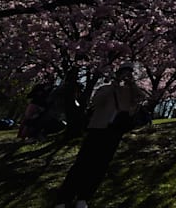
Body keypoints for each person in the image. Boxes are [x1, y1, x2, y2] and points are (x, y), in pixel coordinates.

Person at [54, 63, 149, 208]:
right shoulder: (105, 88)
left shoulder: (129, 92)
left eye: (129, 73)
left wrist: (132, 84)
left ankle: (83, 197)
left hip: (115, 131)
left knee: (100, 166)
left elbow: (140, 97)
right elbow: (96, 102)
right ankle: (64, 198)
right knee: (82, 164)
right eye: (124, 73)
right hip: (97, 128)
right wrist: (114, 85)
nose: (126, 76)